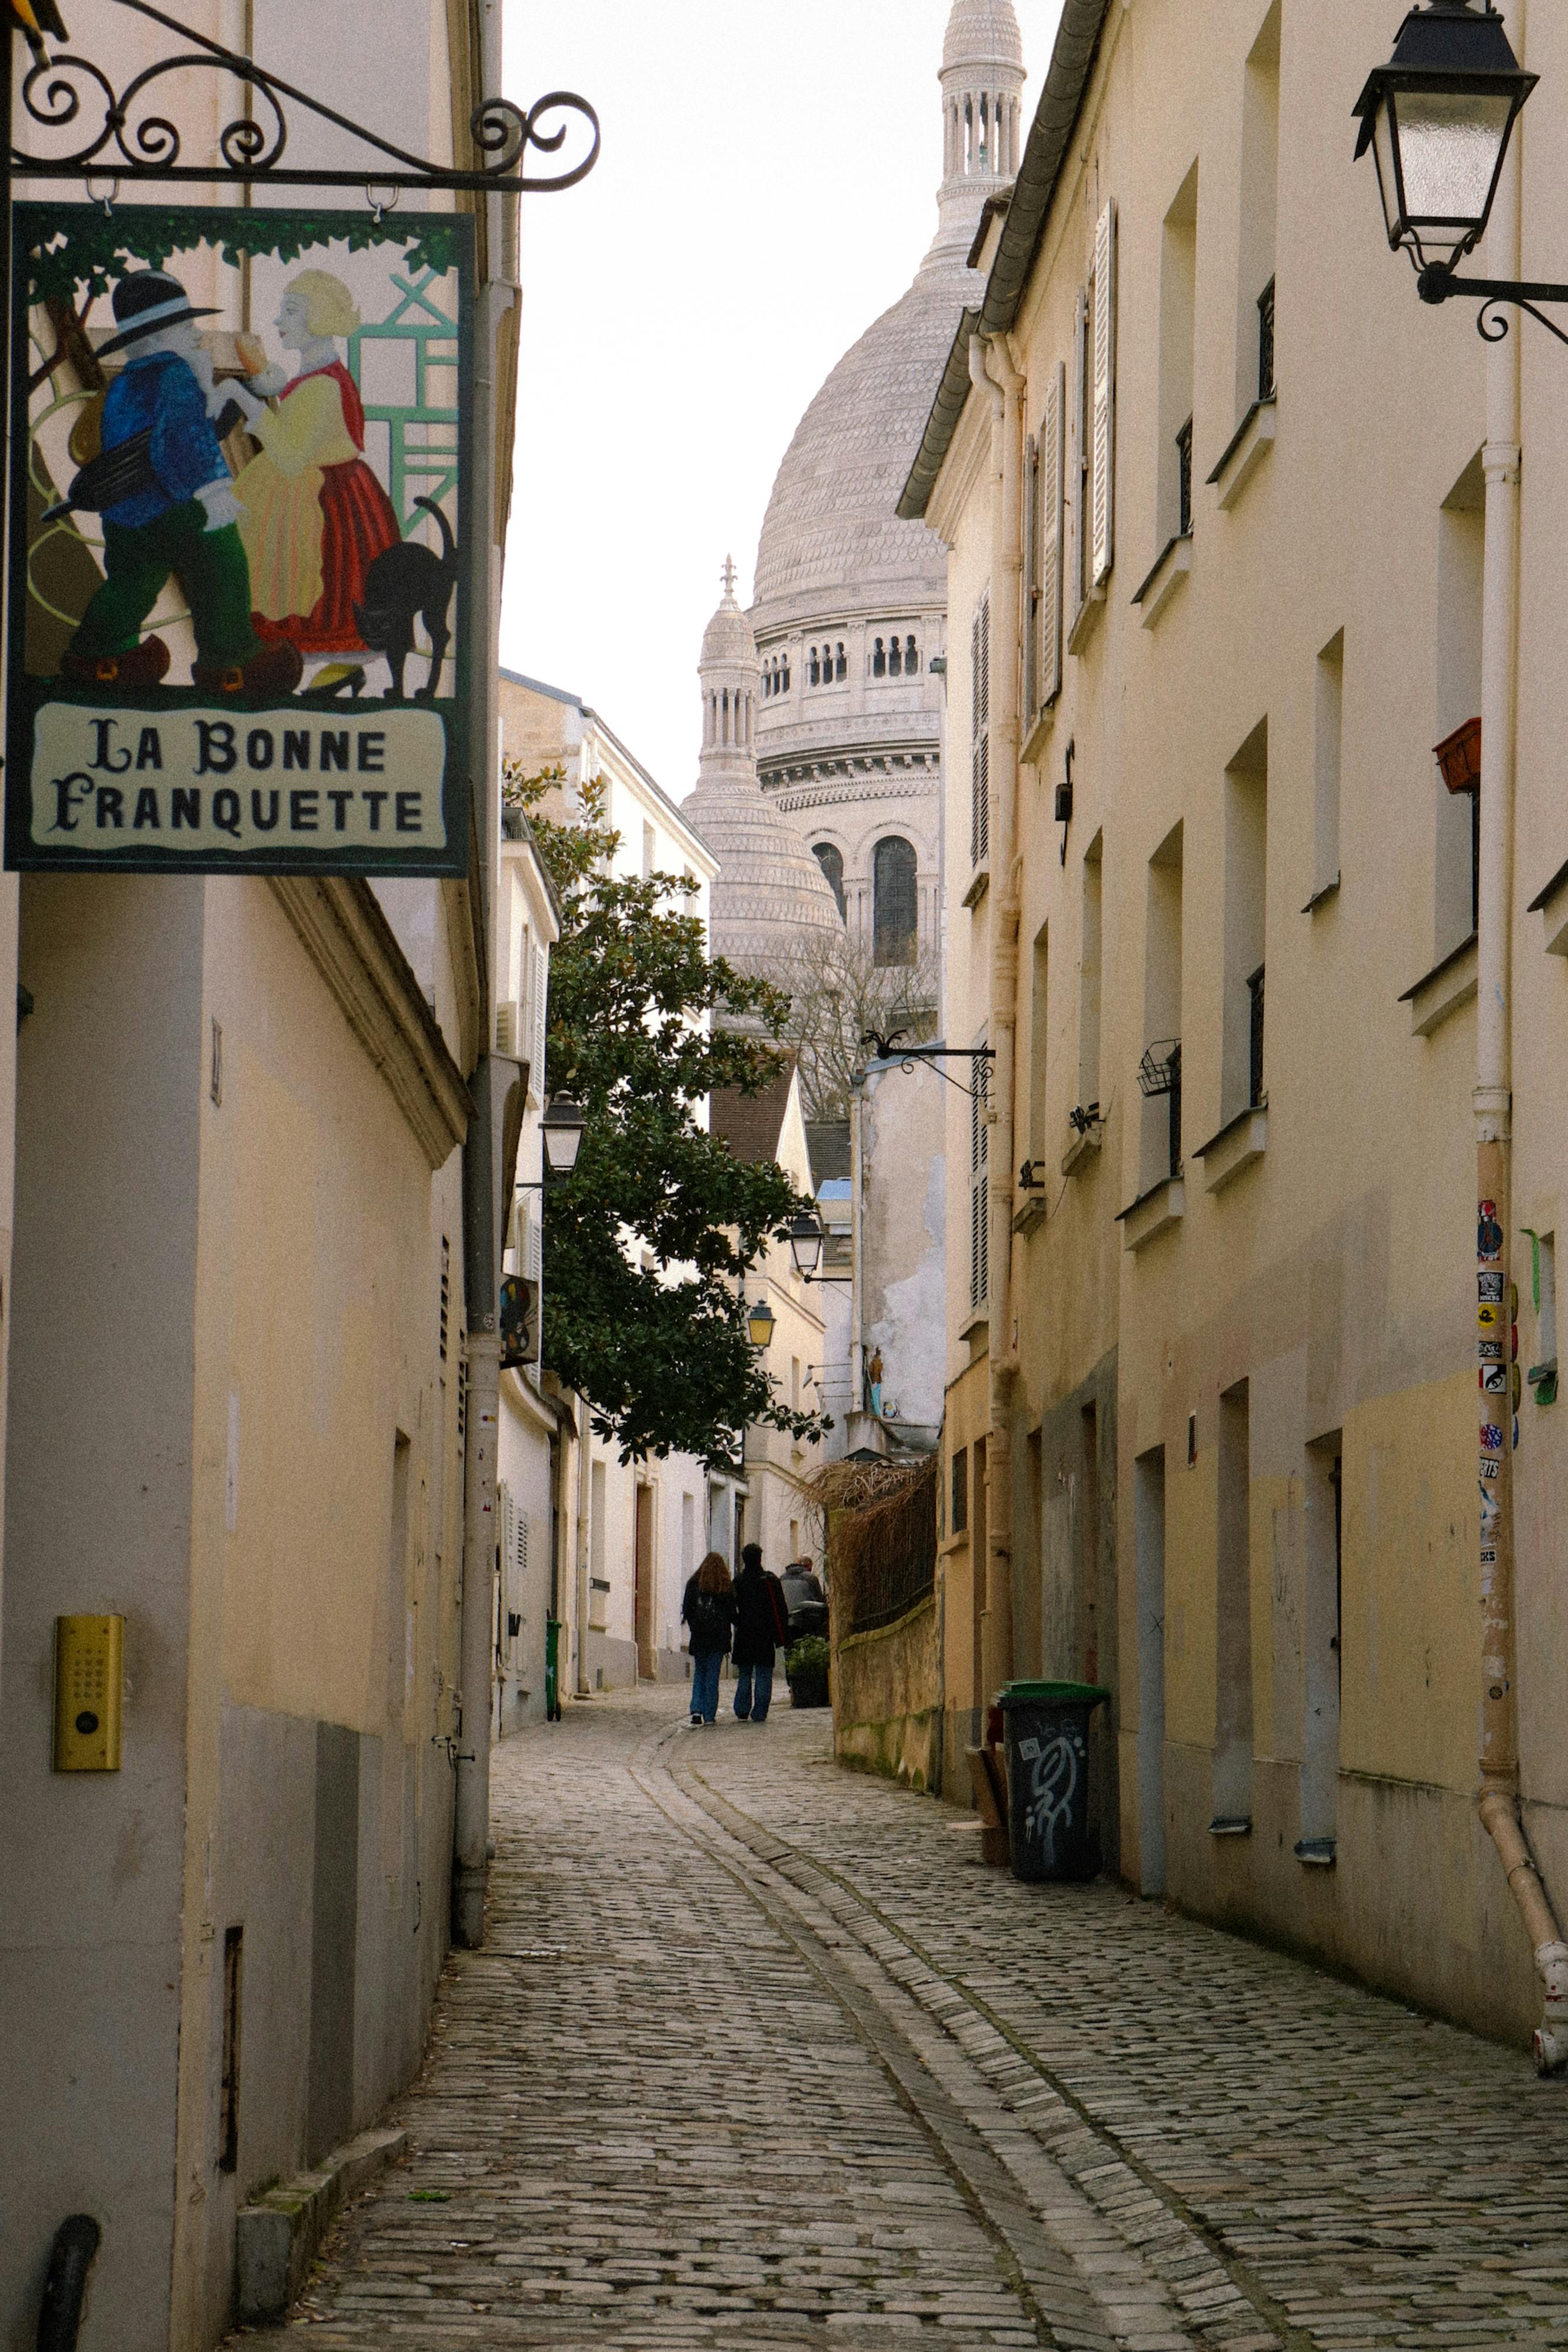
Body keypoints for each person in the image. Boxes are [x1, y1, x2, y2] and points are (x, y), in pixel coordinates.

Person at [60, 269, 302, 697]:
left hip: (127, 515)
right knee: (222, 567)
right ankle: (232, 664)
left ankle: (99, 655)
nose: (197, 337)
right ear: (158, 337)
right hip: (177, 504)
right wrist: (213, 494)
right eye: (186, 327)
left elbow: (194, 428)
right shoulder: (177, 374)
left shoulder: (123, 385)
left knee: (132, 583)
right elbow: (183, 442)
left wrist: (243, 390)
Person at [232, 269, 403, 655]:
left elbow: (291, 459)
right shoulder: (316, 376)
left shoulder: (322, 386)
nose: (278, 321)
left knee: (317, 607)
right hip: (322, 493)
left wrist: (241, 398)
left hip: (323, 504)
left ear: (319, 316)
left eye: (291, 311)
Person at [731, 1541, 789, 1724]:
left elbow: (732, 1607)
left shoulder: (739, 1581)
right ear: (760, 1558)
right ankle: (760, 1711)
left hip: (745, 1633)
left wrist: (738, 1621)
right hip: (765, 1633)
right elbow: (780, 1608)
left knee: (745, 1673)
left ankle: (742, 1709)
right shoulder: (770, 1581)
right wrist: (781, 1633)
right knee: (764, 1674)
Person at [681, 1551, 735, 1727]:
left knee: (700, 1673)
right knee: (713, 1676)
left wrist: (695, 1627)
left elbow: (687, 1610)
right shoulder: (724, 1586)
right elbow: (731, 1614)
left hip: (700, 1636)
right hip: (718, 1638)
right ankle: (710, 1715)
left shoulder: (693, 1584)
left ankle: (696, 1710)